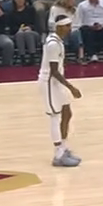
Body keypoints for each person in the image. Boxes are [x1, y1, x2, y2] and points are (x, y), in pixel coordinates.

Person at [40, 15, 82, 167]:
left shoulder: (58, 41)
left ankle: (63, 147)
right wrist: (71, 87)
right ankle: (58, 155)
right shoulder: (53, 44)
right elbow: (54, 71)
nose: (70, 29)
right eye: (67, 26)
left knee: (67, 113)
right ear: (59, 27)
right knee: (55, 117)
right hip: (49, 82)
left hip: (57, 82)